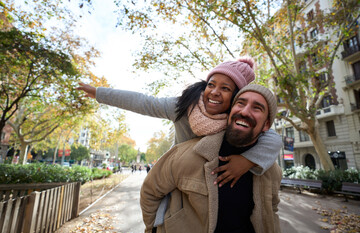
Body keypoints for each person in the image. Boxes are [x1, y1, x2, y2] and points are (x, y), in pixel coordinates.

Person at [76, 57, 282, 187]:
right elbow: (143, 102)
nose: (215, 92)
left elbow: (272, 137)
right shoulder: (185, 106)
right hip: (179, 180)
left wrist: (247, 161)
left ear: (236, 97)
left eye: (225, 88)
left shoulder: (237, 117)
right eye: (211, 84)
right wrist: (99, 93)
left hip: (214, 185)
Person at [140, 84, 282, 233]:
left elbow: (271, 209)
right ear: (229, 112)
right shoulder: (187, 154)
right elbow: (150, 192)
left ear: (267, 125)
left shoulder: (270, 171)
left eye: (257, 108)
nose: (245, 111)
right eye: (240, 103)